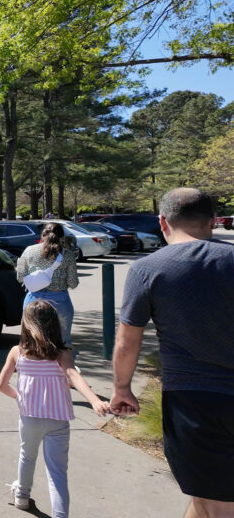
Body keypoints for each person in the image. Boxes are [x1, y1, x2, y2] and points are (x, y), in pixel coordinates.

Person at [111, 188, 234, 518]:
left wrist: (122, 389)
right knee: (204, 494)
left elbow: (127, 341)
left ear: (162, 222)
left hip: (193, 402)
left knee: (219, 502)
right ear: (213, 221)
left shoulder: (149, 269)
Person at [0, 300, 110, 517]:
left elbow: (1, 385)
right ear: (54, 325)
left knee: (27, 456)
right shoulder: (62, 354)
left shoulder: (16, 352)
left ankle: (21, 496)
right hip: (58, 421)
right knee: (57, 474)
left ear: (26, 325)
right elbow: (74, 376)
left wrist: (19, 397)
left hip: (29, 418)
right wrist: (95, 400)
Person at [15, 223, 80, 346]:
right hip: (59, 302)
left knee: (30, 343)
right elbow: (73, 283)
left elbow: (19, 277)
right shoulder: (67, 255)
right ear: (62, 237)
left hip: (33, 301)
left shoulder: (28, 250)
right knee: (63, 342)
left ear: (42, 235)